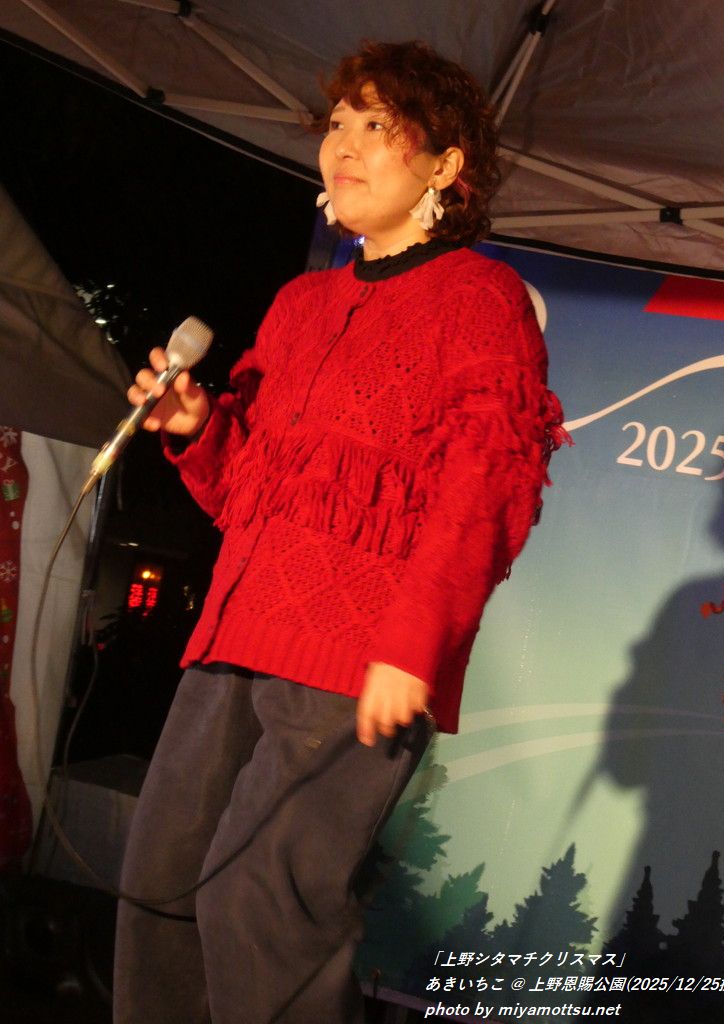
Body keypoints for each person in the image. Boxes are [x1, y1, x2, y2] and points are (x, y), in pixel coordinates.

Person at [113, 40, 567, 1024]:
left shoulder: (479, 300)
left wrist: (413, 644)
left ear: (445, 165)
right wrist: (197, 428)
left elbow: (491, 482)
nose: (344, 145)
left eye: (378, 126)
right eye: (338, 124)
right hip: (231, 640)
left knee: (261, 904)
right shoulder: (301, 302)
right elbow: (247, 496)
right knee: (159, 889)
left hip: (355, 661)